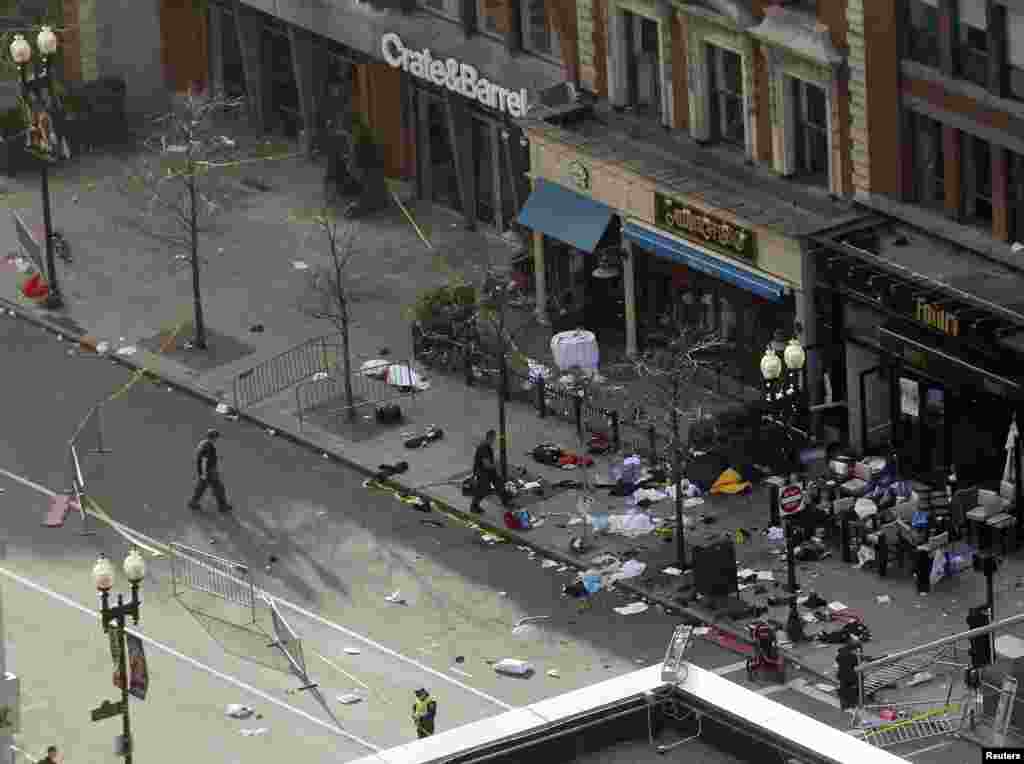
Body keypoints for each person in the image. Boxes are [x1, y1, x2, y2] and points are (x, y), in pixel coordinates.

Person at [188, 429, 232, 512]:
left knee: (201, 487)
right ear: (214, 438)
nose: (217, 440)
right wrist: (204, 473)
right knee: (219, 488)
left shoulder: (203, 443)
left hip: (204, 470)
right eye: (217, 438)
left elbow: (198, 456)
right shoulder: (209, 446)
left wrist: (201, 472)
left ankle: (193, 502)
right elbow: (204, 460)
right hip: (209, 471)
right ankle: (222, 506)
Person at [469, 429, 511, 514]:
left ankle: (505, 502)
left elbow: (489, 463)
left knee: (499, 484)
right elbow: (486, 464)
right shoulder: (483, 448)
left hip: (489, 471)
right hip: (482, 472)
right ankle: (474, 507)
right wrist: (498, 465)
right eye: (493, 438)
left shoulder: (487, 446)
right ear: (490, 438)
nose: (494, 440)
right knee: (483, 490)